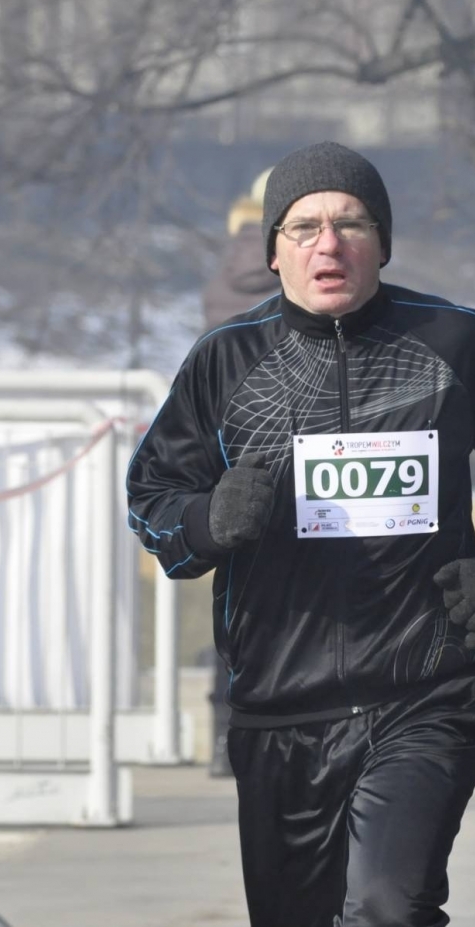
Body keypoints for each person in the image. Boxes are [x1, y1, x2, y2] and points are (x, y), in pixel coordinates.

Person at [127, 142, 475, 927]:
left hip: (425, 690)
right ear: (272, 250)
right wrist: (207, 521)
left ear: (382, 242)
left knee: (384, 905)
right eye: (303, 228)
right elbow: (152, 498)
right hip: (277, 711)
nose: (327, 244)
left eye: (350, 223)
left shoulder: (456, 342)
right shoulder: (224, 361)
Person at [198, 172, 280, 779]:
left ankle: (224, 732)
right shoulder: (300, 271)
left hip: (228, 450)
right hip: (295, 444)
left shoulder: (223, 278)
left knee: (236, 593)